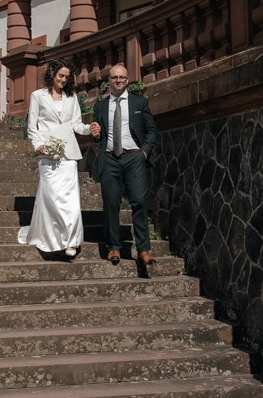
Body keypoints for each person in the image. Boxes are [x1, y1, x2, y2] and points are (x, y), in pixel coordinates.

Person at [18, 60, 92, 259]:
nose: (63, 80)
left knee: (70, 200)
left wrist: (88, 129)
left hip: (69, 155)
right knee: (51, 198)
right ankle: (50, 238)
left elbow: (76, 124)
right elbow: (32, 127)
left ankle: (70, 241)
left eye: (67, 77)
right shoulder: (37, 96)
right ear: (52, 74)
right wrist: (38, 144)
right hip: (47, 154)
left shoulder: (72, 97)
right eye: (61, 76)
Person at [88, 64, 158, 271]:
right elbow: (98, 133)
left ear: (127, 80)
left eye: (122, 77)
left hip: (134, 157)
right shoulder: (100, 107)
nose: (118, 80)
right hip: (110, 158)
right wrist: (95, 133)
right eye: (114, 77)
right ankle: (113, 247)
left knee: (139, 201)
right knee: (110, 202)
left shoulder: (139, 102)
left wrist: (143, 152)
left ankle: (143, 249)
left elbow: (152, 130)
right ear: (108, 81)